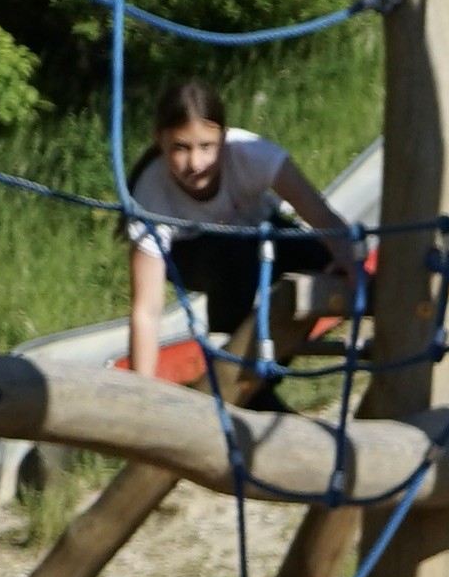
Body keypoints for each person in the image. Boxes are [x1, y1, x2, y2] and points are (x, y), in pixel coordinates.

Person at [116, 76, 349, 381]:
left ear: (224, 139)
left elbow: (321, 215)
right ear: (159, 139)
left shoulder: (251, 154)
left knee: (319, 258)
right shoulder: (152, 193)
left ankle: (261, 376)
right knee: (232, 254)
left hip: (257, 235)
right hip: (196, 257)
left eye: (206, 146)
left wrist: (351, 262)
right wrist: (141, 390)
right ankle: (228, 364)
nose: (195, 162)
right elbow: (146, 310)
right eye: (180, 148)